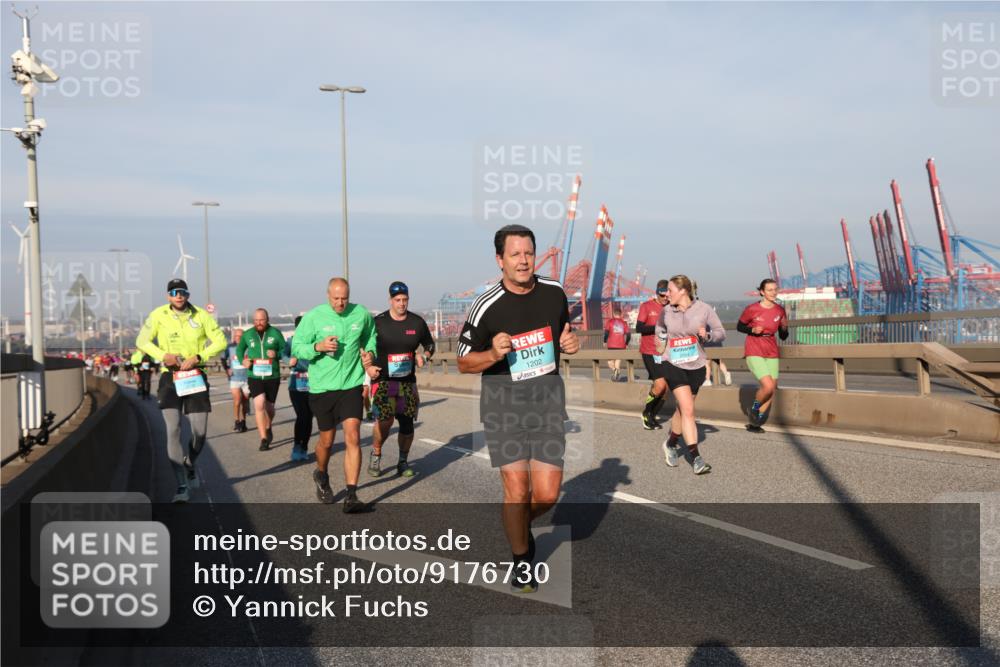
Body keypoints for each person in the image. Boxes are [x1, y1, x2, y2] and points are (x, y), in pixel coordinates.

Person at [457, 224, 580, 594]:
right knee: (516, 487)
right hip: (502, 406)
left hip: (546, 405)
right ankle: (521, 558)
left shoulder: (555, 292)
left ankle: (517, 526)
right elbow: (463, 362)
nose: (524, 261)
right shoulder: (485, 305)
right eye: (515, 254)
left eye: (528, 253)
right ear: (500, 260)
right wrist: (493, 353)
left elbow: (564, 331)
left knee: (545, 494)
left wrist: (569, 342)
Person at [136, 278, 226, 502]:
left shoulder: (201, 316)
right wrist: (162, 355)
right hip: (170, 377)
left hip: (195, 375)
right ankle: (182, 485)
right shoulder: (159, 315)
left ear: (187, 294)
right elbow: (142, 340)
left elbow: (221, 341)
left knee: (200, 433)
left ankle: (190, 462)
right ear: (168, 296)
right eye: (174, 292)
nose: (179, 295)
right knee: (173, 429)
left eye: (183, 292)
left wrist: (199, 356)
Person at [292, 278, 377, 513]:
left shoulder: (361, 314)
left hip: (351, 384)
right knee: (326, 441)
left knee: (353, 435)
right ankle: (321, 473)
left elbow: (370, 336)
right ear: (328, 295)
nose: (340, 303)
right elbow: (297, 346)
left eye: (344, 298)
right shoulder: (313, 317)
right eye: (336, 298)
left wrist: (370, 353)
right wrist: (317, 347)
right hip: (322, 388)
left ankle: (351, 494)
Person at [656, 275, 725, 475]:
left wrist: (708, 336)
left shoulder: (704, 309)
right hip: (673, 364)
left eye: (670, 290)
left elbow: (721, 332)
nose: (666, 294)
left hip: (696, 365)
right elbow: (659, 330)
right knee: (688, 410)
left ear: (683, 291)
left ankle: (670, 443)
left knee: (682, 410)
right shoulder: (666, 311)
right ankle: (696, 458)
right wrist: (660, 345)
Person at [367, 281, 435, 478]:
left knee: (407, 425)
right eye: (397, 300)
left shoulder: (416, 322)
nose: (401, 303)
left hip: (407, 382)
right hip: (383, 381)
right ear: (390, 300)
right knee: (385, 421)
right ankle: (376, 453)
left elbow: (430, 344)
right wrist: (368, 366)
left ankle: (402, 462)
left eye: (405, 299)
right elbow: (364, 346)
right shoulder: (378, 322)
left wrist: (425, 356)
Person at [737, 279, 789, 432]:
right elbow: (739, 326)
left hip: (771, 351)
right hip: (754, 350)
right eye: (770, 290)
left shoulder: (780, 310)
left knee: (772, 390)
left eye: (775, 289)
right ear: (762, 292)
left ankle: (754, 423)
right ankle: (754, 409)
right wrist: (752, 330)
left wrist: (785, 328)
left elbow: (784, 335)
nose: (773, 293)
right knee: (767, 386)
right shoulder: (752, 309)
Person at [237, 309, 285, 451]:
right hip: (255, 375)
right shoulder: (248, 334)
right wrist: (243, 360)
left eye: (262, 320)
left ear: (267, 319)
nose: (259, 323)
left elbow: (286, 350)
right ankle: (263, 438)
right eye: (256, 320)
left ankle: (269, 425)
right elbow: (240, 350)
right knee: (259, 403)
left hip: (272, 376)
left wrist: (276, 353)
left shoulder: (275, 333)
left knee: (269, 408)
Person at [637, 280, 671, 429]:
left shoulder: (671, 308)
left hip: (666, 353)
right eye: (661, 295)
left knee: (666, 389)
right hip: (650, 351)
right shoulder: (647, 306)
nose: (665, 298)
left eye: (667, 295)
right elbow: (639, 328)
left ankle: (652, 415)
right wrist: (658, 327)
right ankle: (646, 413)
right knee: (660, 384)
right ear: (656, 293)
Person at [283, 316, 314, 461]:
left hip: (313, 382)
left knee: (309, 417)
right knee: (302, 415)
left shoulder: (315, 341)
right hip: (296, 383)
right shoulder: (291, 341)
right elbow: (282, 353)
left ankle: (304, 447)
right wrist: (288, 361)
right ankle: (296, 445)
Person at [222, 328, 250, 432]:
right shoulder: (230, 347)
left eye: (240, 336)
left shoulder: (248, 348)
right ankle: (237, 421)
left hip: (247, 378)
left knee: (245, 401)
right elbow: (223, 358)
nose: (238, 338)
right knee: (237, 400)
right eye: (236, 336)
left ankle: (243, 421)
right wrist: (227, 369)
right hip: (234, 378)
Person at [701, 303, 732, 387]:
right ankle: (726, 373)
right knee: (719, 362)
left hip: (708, 344)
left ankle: (707, 380)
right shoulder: (714, 321)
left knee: (706, 363)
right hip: (717, 343)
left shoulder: (702, 322)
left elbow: (702, 334)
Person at [603, 305, 630, 381]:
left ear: (614, 314)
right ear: (621, 314)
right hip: (621, 345)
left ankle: (615, 370)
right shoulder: (624, 323)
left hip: (611, 344)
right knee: (618, 360)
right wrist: (626, 343)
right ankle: (616, 375)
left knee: (609, 361)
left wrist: (605, 341)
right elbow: (629, 335)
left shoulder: (610, 322)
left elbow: (606, 333)